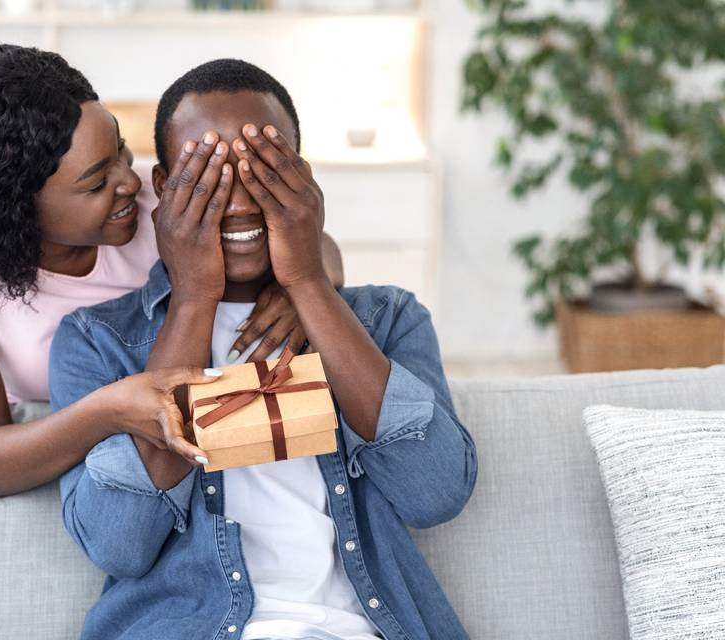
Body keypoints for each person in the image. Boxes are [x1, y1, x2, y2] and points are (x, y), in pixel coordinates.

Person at [50, 59, 478, 640]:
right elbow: (120, 543)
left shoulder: (387, 319)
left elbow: (435, 493)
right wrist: (195, 296)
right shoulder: (97, 343)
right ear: (163, 189)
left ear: (302, 176)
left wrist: (307, 280)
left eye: (263, 171)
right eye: (208, 178)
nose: (240, 203)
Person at [0, 44, 343, 496]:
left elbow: (318, 245)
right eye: (98, 181)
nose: (129, 181)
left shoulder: (159, 205)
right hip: (67, 445)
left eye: (121, 151)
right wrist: (108, 410)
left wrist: (298, 285)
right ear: (14, 208)